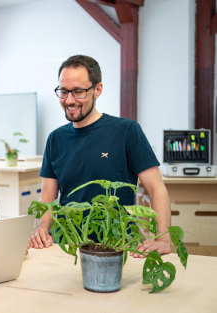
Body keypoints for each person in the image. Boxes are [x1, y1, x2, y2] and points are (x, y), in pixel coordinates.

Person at [28, 55, 171, 258]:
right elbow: (48, 198)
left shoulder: (126, 131)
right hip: (67, 248)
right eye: (64, 91)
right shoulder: (55, 139)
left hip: (118, 246)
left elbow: (156, 189)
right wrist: (42, 228)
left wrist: (163, 238)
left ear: (97, 90)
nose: (69, 100)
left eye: (78, 92)